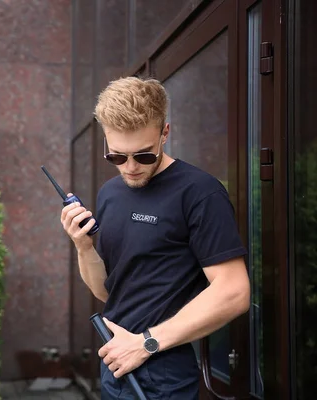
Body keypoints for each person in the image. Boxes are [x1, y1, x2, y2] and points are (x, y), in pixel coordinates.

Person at [60, 76, 250, 399]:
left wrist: (146, 343)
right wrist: (83, 246)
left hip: (163, 369)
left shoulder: (199, 193)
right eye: (117, 157)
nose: (131, 167)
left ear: (165, 133)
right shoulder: (109, 194)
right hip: (115, 361)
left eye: (144, 155)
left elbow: (234, 291)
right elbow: (108, 292)